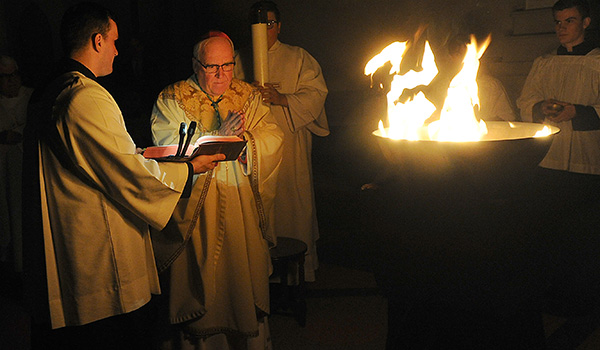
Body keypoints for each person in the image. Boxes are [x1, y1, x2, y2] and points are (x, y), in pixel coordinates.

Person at [21, 3, 224, 349]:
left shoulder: (51, 88)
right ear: (97, 41)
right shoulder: (86, 96)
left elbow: (100, 158)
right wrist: (189, 168)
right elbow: (127, 175)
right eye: (114, 41)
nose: (117, 50)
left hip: (68, 235)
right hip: (97, 249)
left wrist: (142, 155)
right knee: (113, 335)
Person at [150, 32, 283, 349]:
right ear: (196, 65)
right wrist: (215, 135)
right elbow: (166, 149)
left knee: (241, 276)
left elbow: (273, 137)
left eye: (228, 65)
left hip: (241, 206)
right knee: (204, 280)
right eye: (213, 67)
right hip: (199, 211)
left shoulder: (248, 96)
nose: (223, 75)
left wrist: (248, 142)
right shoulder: (172, 99)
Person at [516, 0, 600, 316]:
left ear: (586, 23)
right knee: (552, 233)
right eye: (558, 22)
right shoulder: (544, 63)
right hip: (549, 162)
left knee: (585, 236)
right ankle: (554, 296)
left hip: (587, 162)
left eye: (570, 20)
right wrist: (542, 109)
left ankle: (585, 301)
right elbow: (526, 101)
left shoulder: (597, 62)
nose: (562, 27)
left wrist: (576, 111)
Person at [238, 1, 329, 282]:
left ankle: (295, 272)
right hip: (253, 148)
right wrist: (246, 94)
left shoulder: (299, 57)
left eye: (271, 24)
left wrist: (282, 99)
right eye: (260, 25)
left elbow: (316, 94)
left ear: (279, 26)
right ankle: (259, 272)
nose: (266, 30)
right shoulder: (239, 58)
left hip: (291, 145)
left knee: (292, 204)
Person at [0, 55, 32, 274]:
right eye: (5, 77)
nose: (11, 81)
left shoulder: (31, 98)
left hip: (25, 168)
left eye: (14, 75)